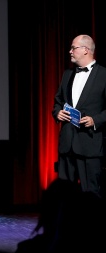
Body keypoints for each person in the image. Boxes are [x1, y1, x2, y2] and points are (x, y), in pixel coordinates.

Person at [52, 34, 106, 197]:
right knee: (64, 195)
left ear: (86, 50)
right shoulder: (67, 74)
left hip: (89, 144)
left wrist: (95, 120)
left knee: (90, 194)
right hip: (67, 144)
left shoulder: (103, 74)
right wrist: (57, 112)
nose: (70, 51)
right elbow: (58, 100)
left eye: (73, 48)